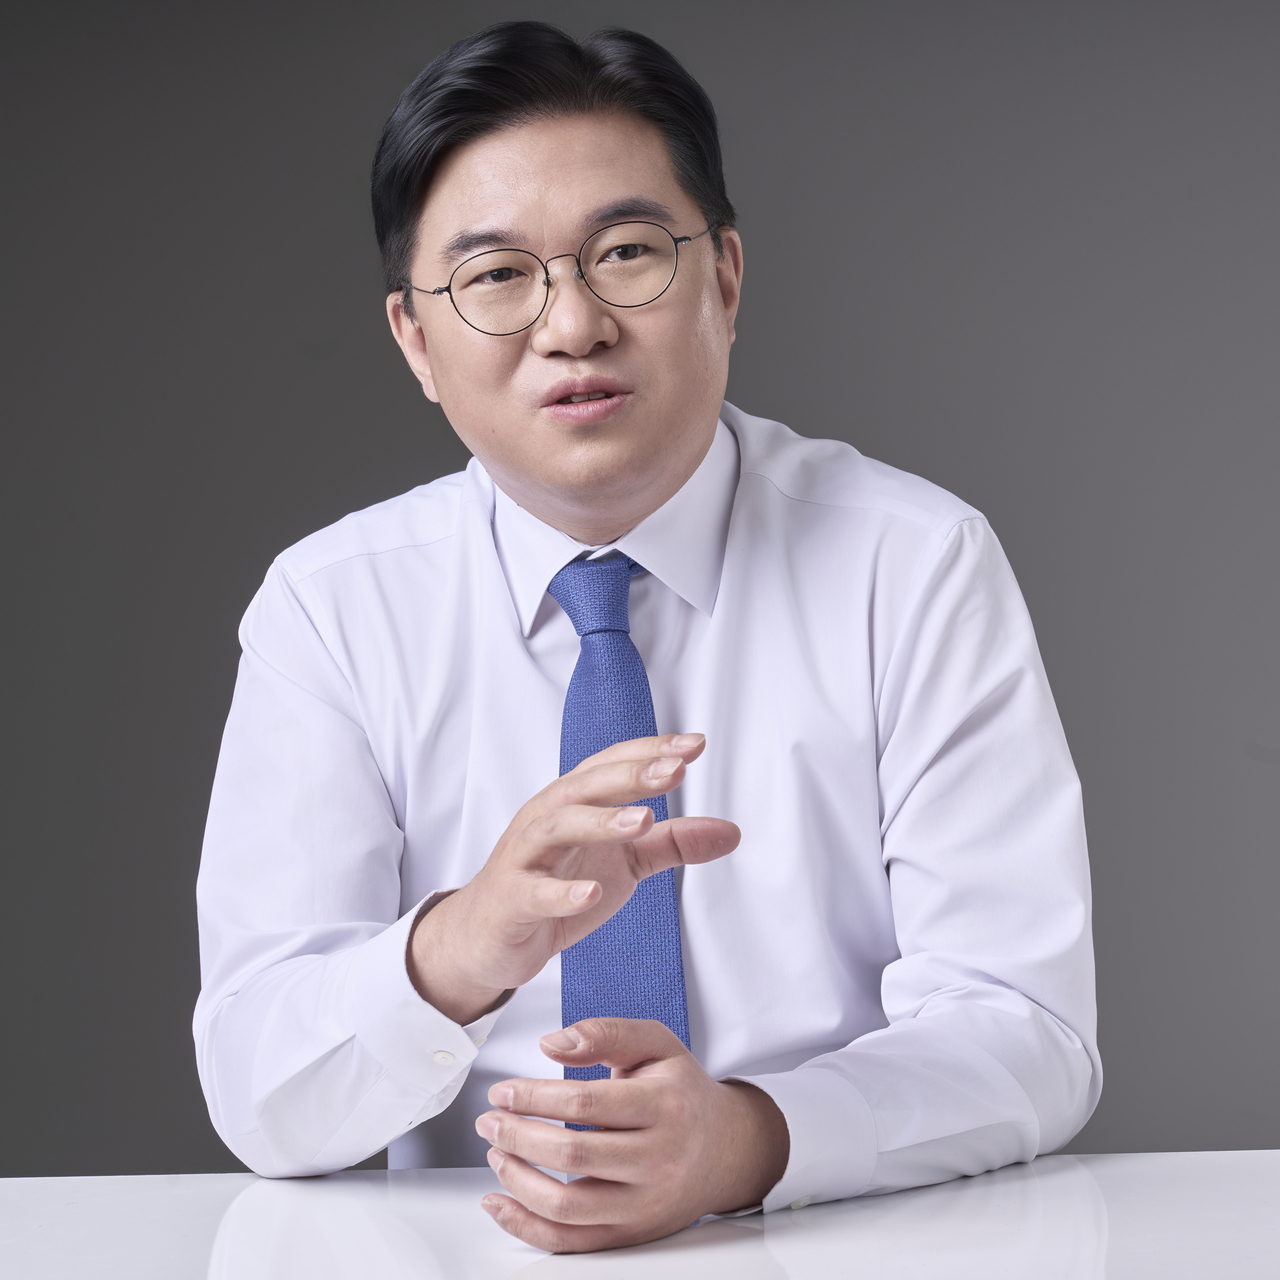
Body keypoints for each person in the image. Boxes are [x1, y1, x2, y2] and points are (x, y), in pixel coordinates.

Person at [194, 21, 1100, 1254]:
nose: (570, 325)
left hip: (843, 1243)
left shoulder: (912, 563)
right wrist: (465, 940)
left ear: (722, 277)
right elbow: (258, 1087)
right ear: (415, 340)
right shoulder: (331, 608)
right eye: (495, 275)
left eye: (624, 253)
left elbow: (1026, 1027)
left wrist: (747, 1138)